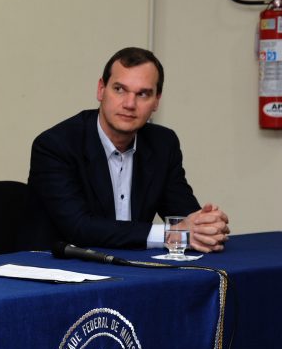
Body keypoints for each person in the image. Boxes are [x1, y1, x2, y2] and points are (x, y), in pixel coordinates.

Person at [23, 46, 229, 252]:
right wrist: (171, 234)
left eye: (143, 94)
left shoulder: (163, 144)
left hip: (130, 270)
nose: (130, 104)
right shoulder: (55, 145)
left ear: (156, 101)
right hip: (59, 272)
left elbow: (184, 215)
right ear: (101, 90)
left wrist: (206, 225)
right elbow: (80, 228)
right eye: (119, 89)